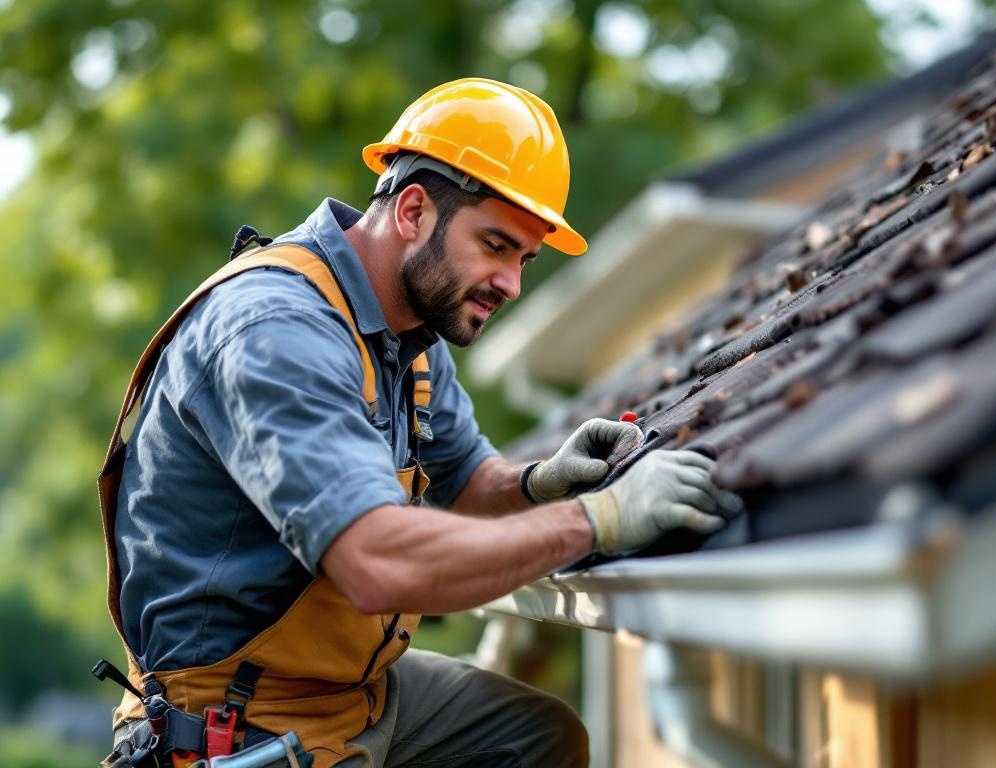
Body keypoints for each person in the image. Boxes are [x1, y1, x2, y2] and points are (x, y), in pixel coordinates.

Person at [98, 78, 740, 768]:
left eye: (524, 259)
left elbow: (469, 485)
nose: (511, 285)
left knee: (536, 738)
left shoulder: (414, 334)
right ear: (411, 211)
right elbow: (376, 561)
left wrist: (540, 483)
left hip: (353, 694)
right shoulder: (277, 330)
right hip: (239, 721)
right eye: (495, 245)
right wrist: (599, 519)